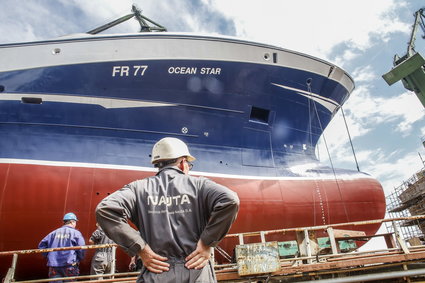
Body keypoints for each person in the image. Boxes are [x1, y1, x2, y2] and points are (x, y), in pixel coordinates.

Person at [96, 137, 240, 283]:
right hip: (196, 269)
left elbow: (105, 209)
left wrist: (141, 249)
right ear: (183, 163)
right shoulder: (199, 185)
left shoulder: (138, 188)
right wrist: (207, 243)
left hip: (156, 270)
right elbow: (230, 199)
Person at [38, 212, 86, 281]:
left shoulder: (53, 233)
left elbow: (41, 246)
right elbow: (81, 248)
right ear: (72, 222)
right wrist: (79, 259)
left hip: (54, 266)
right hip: (70, 265)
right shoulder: (76, 233)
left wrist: (49, 256)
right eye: (75, 222)